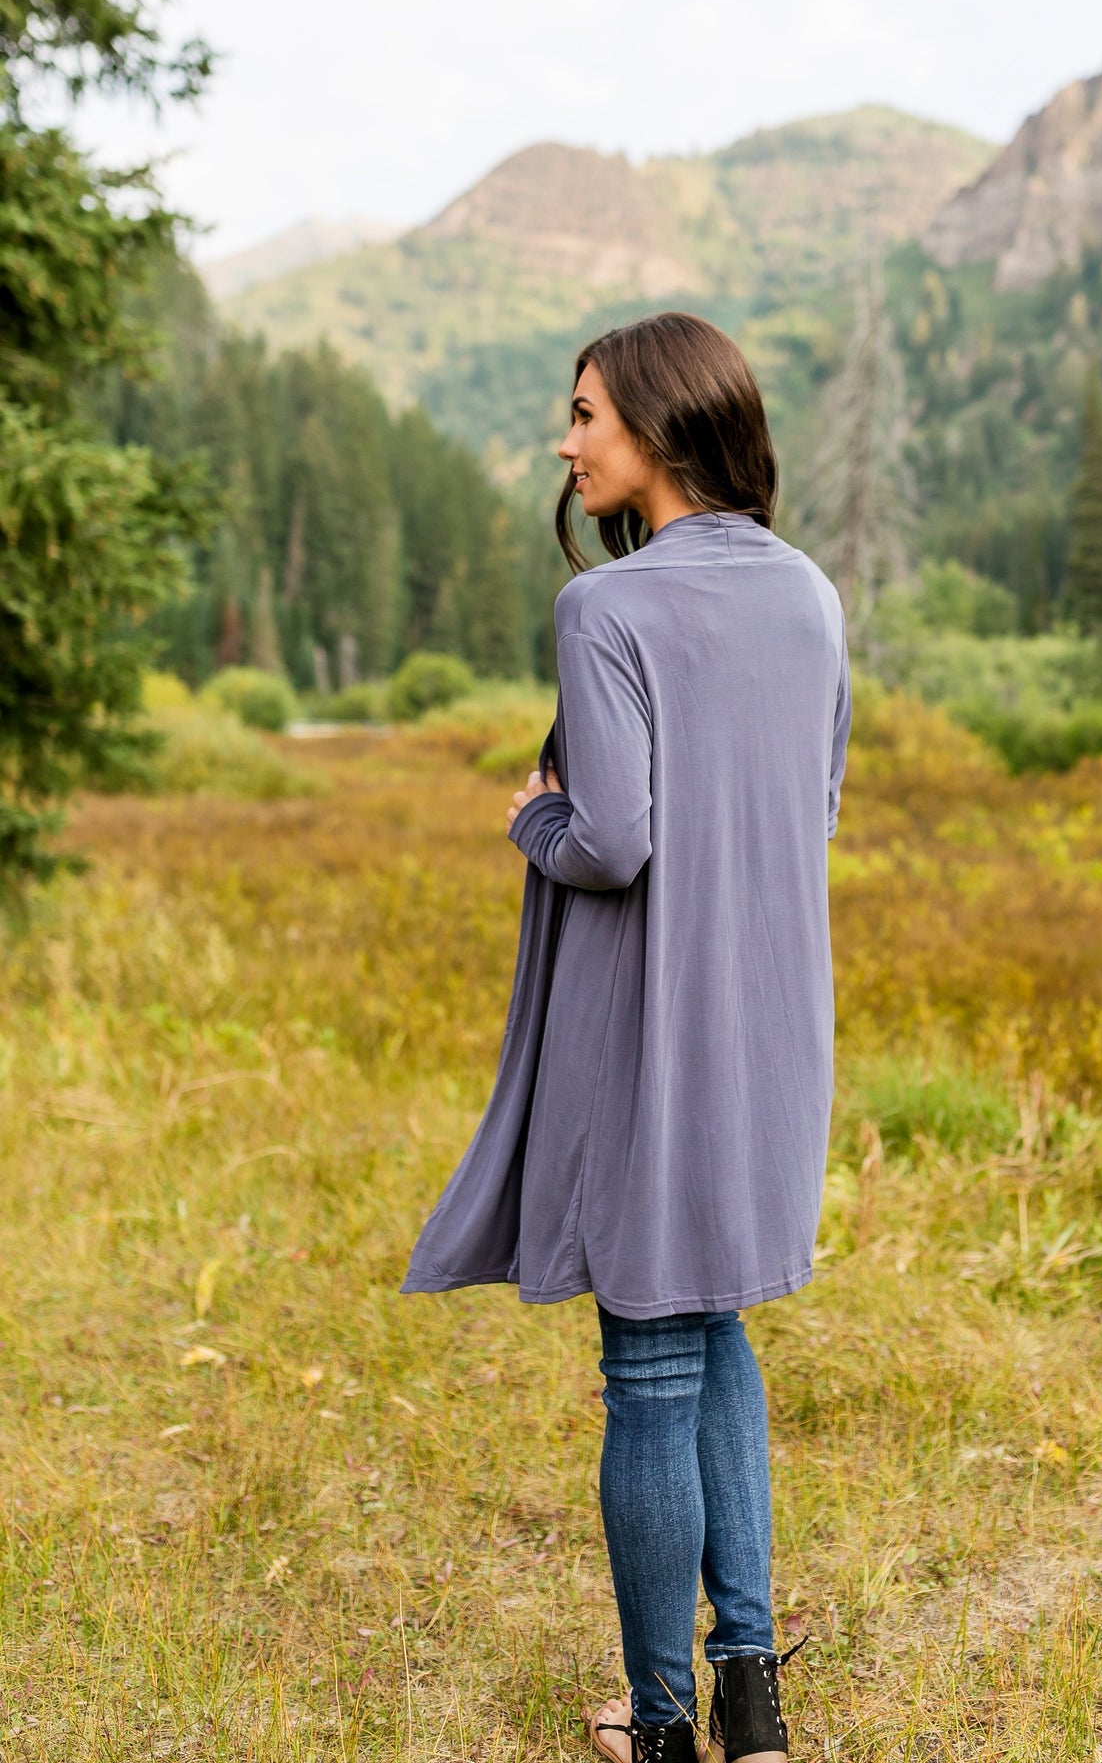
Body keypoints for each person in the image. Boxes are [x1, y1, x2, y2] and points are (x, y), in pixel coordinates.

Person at [402, 312, 851, 1763]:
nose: (565, 438)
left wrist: (525, 813)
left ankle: (661, 1728)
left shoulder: (606, 610)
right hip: (770, 1033)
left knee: (651, 1370)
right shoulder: (809, 597)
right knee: (713, 1333)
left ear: (654, 429)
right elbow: (813, 809)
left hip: (649, 1036)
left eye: (584, 411)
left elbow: (607, 842)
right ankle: (753, 1708)